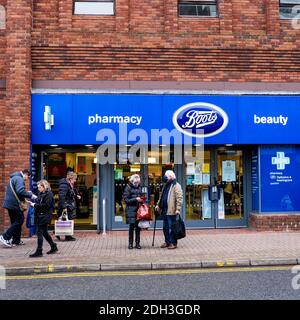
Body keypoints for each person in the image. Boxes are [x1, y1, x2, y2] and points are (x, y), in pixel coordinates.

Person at [0, 169, 37, 248]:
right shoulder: (19, 178)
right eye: (28, 177)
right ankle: (5, 237)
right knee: (20, 220)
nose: (27, 179)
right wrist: (31, 195)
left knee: (15, 221)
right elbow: (20, 191)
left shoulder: (14, 177)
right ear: (26, 174)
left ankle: (16, 240)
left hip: (10, 204)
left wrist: (25, 196)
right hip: (14, 204)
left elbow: (18, 192)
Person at [26, 180, 58, 257]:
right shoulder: (41, 193)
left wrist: (35, 205)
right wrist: (32, 201)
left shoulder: (49, 194)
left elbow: (46, 206)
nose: (38, 188)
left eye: (40, 187)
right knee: (44, 233)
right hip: (41, 216)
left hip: (45, 216)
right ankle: (53, 246)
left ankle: (39, 251)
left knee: (39, 232)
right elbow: (38, 201)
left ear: (44, 186)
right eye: (38, 187)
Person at [155, 170, 183, 250]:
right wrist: (158, 205)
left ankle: (173, 243)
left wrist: (178, 209)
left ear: (170, 177)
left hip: (172, 210)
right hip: (164, 210)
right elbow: (162, 196)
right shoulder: (166, 185)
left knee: (172, 227)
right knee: (165, 227)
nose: (164, 177)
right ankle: (167, 242)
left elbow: (179, 198)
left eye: (166, 176)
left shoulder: (176, 185)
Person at [57, 171, 81, 241]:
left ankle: (60, 233)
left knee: (67, 220)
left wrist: (76, 195)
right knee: (67, 220)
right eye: (74, 179)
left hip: (68, 205)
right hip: (65, 205)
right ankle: (68, 236)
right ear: (70, 179)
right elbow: (62, 196)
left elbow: (72, 192)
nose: (75, 181)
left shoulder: (69, 184)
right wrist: (64, 207)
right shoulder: (64, 185)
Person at [123, 174, 144, 249]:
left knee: (138, 228)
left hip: (138, 210)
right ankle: (130, 244)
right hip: (131, 210)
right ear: (132, 181)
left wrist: (142, 199)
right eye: (135, 182)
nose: (137, 184)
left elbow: (141, 197)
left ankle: (138, 244)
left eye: (138, 182)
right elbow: (126, 200)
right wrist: (136, 199)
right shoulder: (128, 188)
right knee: (131, 228)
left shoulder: (139, 188)